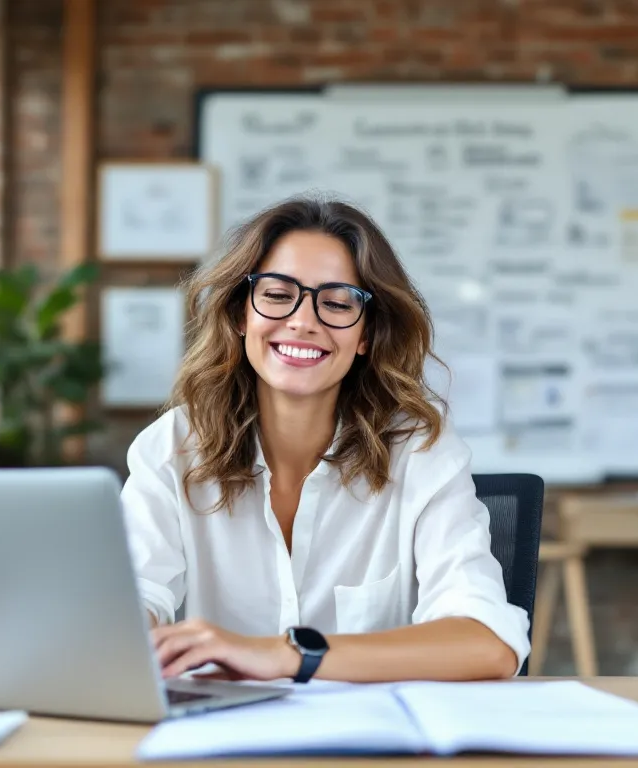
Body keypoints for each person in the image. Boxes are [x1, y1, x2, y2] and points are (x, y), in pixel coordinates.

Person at [119, 195, 529, 684]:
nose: (303, 320)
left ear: (366, 336)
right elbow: (128, 602)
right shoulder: (174, 445)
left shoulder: (419, 450)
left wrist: (289, 655)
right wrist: (128, 633)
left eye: (336, 303)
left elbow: (489, 642)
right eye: (275, 295)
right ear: (239, 315)